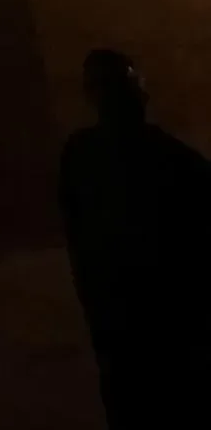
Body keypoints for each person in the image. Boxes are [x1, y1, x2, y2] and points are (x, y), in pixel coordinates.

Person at [59, 49, 211, 428]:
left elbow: (76, 232)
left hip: (120, 318)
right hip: (163, 323)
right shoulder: (172, 159)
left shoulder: (80, 156)